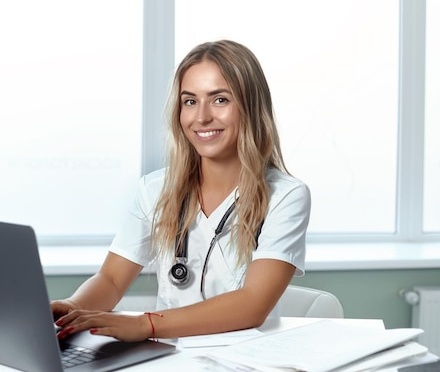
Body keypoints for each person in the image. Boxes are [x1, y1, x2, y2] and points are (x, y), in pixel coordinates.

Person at [51, 39, 310, 342]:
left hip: (242, 360)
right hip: (168, 360)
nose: (201, 117)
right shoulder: (155, 189)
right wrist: (72, 308)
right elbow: (110, 279)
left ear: (250, 107)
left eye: (220, 100)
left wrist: (147, 325)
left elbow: (252, 304)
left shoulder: (286, 196)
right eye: (190, 101)